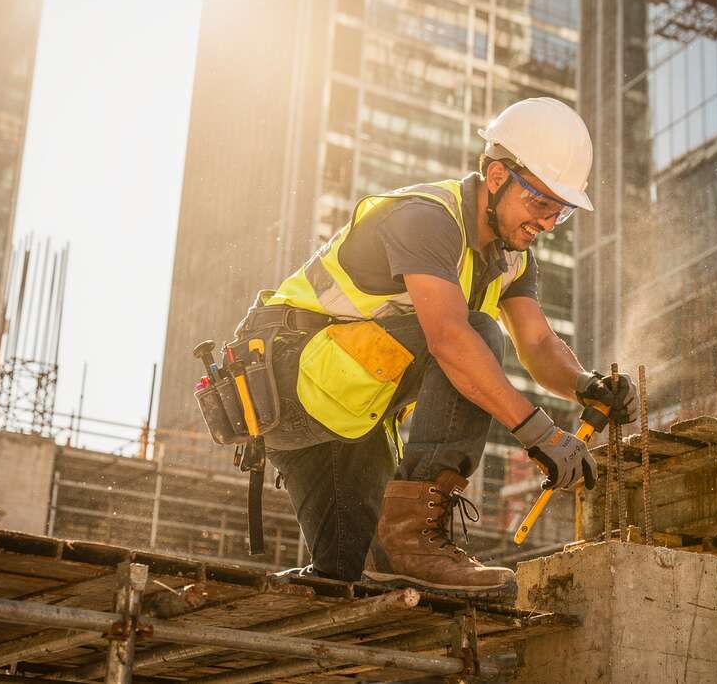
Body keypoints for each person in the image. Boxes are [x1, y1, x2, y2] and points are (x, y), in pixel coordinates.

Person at [230, 98, 636, 599]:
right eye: (540, 204)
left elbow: (537, 341)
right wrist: (540, 434)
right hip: (288, 384)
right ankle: (412, 543)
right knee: (474, 333)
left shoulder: (511, 257)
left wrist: (585, 385)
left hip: (349, 404)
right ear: (495, 176)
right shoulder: (428, 219)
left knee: (354, 577)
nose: (548, 223)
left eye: (561, 211)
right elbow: (447, 338)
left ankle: (390, 560)